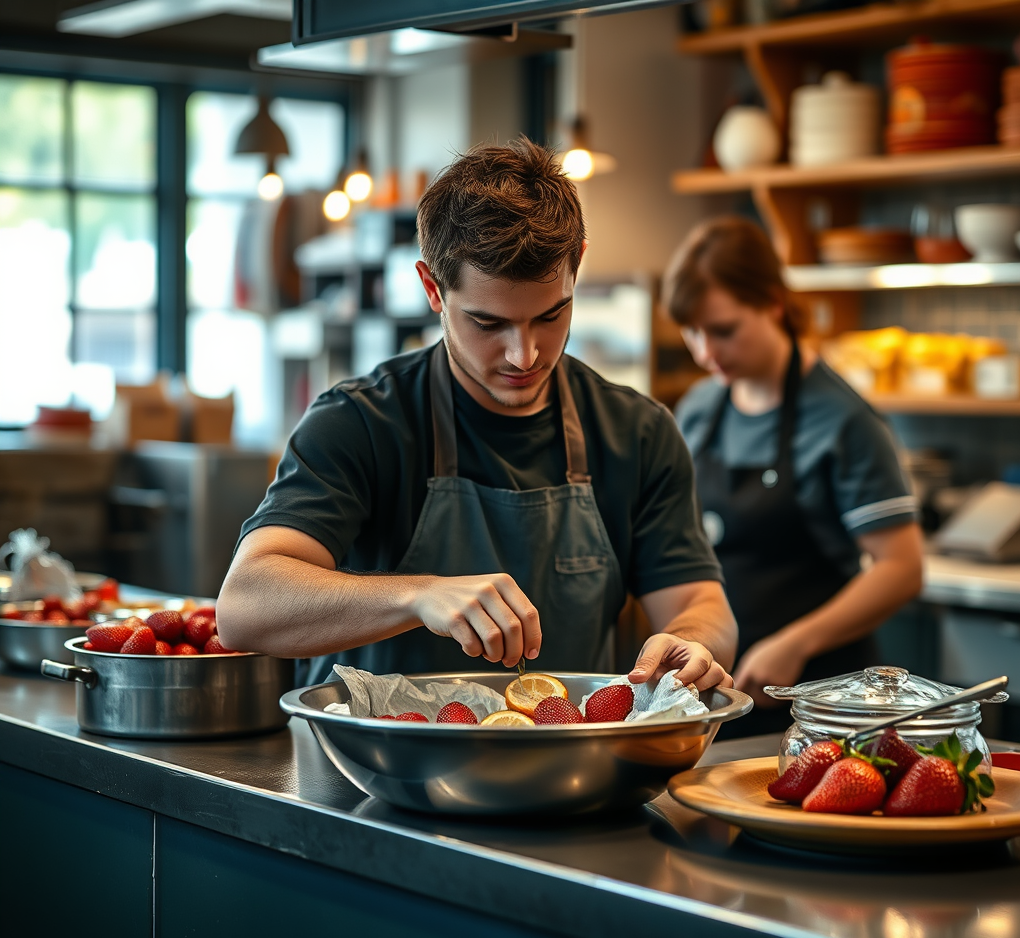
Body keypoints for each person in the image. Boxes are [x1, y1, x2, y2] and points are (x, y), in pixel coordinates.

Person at [217, 139, 737, 694]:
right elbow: (246, 605)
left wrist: (693, 641)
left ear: (577, 263)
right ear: (432, 289)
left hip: (567, 773)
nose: (525, 354)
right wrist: (419, 595)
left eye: (551, 315)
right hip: (368, 773)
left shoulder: (638, 431)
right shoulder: (359, 423)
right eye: (488, 324)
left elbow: (698, 601)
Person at [663, 217, 924, 733]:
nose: (704, 353)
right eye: (691, 331)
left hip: (816, 699)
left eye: (723, 330)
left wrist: (797, 642)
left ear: (773, 304)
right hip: (716, 689)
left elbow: (902, 568)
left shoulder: (842, 421)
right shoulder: (698, 409)